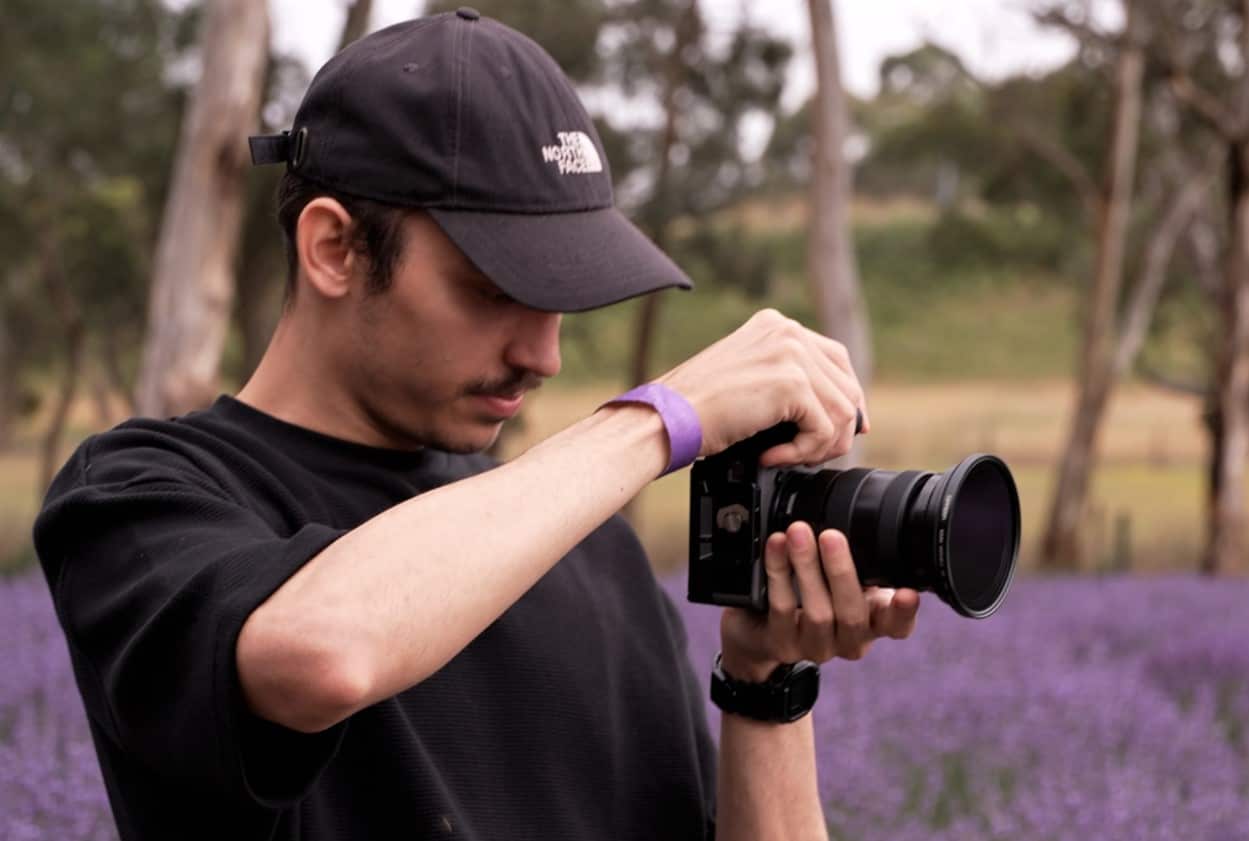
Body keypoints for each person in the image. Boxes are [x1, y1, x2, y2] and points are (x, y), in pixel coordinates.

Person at [33, 9, 920, 841]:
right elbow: (322, 655)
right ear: (333, 248)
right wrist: (663, 419)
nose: (544, 355)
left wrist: (763, 685)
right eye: (496, 290)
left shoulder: (594, 555)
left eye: (564, 297)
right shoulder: (140, 498)